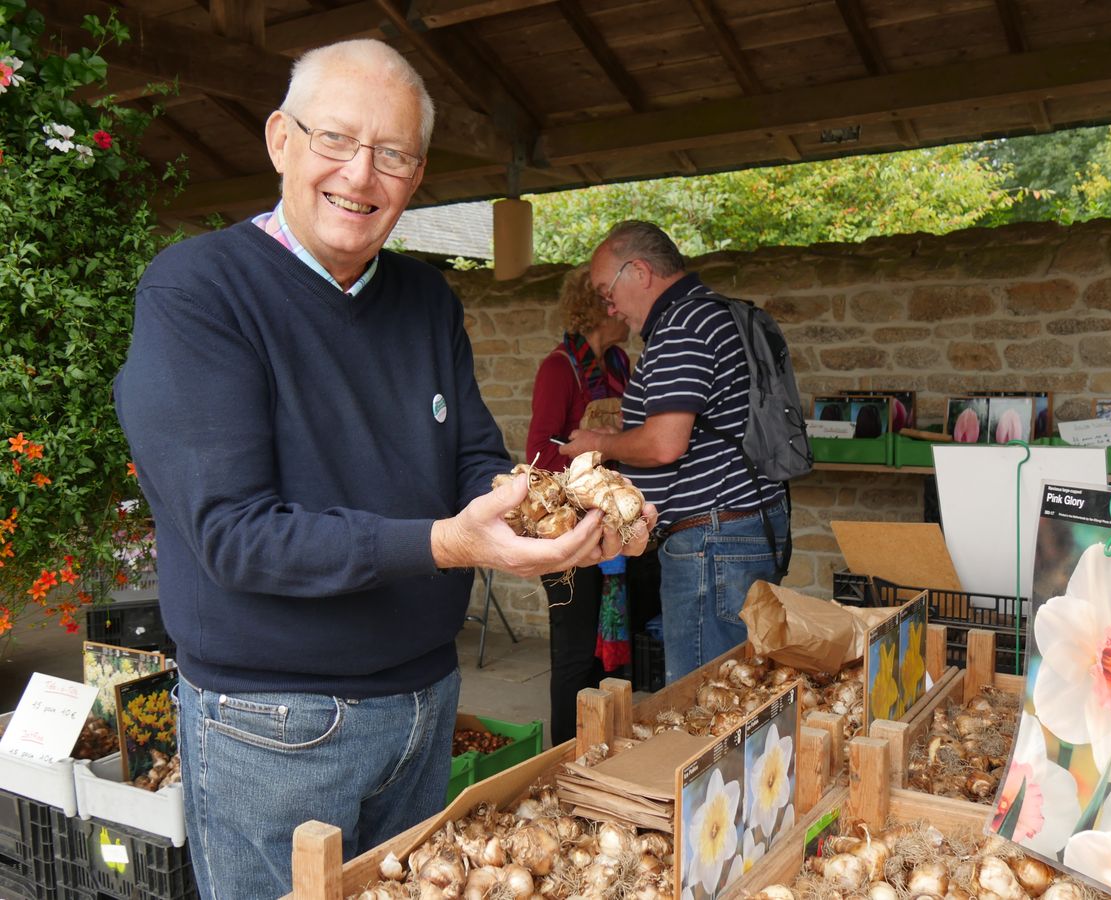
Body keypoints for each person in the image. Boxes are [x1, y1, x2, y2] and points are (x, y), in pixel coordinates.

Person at [113, 40, 653, 900]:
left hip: (427, 700)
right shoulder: (197, 293)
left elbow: (474, 456)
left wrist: (552, 511)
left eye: (392, 154)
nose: (360, 176)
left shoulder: (425, 297)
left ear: (417, 173)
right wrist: (448, 544)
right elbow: (233, 537)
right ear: (279, 140)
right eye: (335, 140)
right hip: (274, 723)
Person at [561, 220, 789, 685]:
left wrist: (597, 445)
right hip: (738, 531)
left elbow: (665, 443)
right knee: (738, 688)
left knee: (702, 699)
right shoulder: (713, 312)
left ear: (640, 272)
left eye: (609, 291)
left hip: (711, 542)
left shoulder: (680, 326)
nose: (610, 307)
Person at [526, 266, 631, 745]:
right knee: (573, 653)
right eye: (616, 297)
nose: (627, 309)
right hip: (566, 527)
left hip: (612, 526)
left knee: (605, 653)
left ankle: (604, 749)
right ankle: (566, 758)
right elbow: (539, 458)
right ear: (602, 308)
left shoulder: (619, 367)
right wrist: (600, 450)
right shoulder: (558, 369)